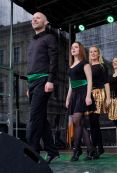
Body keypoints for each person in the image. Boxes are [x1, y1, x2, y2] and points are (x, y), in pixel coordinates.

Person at [26, 12, 59, 163]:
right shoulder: (32, 42)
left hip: (43, 80)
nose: (34, 19)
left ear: (46, 22)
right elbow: (31, 65)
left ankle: (32, 152)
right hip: (32, 82)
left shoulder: (50, 37)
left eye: (38, 18)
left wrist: (50, 80)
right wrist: (28, 85)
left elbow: (54, 60)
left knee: (34, 116)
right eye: (33, 18)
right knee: (41, 117)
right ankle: (52, 150)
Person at [66, 41, 98, 161]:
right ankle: (91, 150)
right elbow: (71, 84)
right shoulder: (70, 66)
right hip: (74, 94)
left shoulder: (85, 63)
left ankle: (76, 151)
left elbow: (90, 81)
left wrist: (88, 96)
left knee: (77, 120)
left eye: (76, 47)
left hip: (83, 93)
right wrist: (68, 98)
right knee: (80, 124)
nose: (73, 49)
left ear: (80, 49)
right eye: (72, 48)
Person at [88, 45, 110, 157]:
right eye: (91, 51)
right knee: (93, 123)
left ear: (98, 53)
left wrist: (108, 97)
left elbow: (106, 82)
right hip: (89, 94)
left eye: (95, 51)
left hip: (99, 93)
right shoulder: (87, 66)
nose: (92, 53)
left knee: (94, 120)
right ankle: (99, 148)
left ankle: (94, 148)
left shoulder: (102, 66)